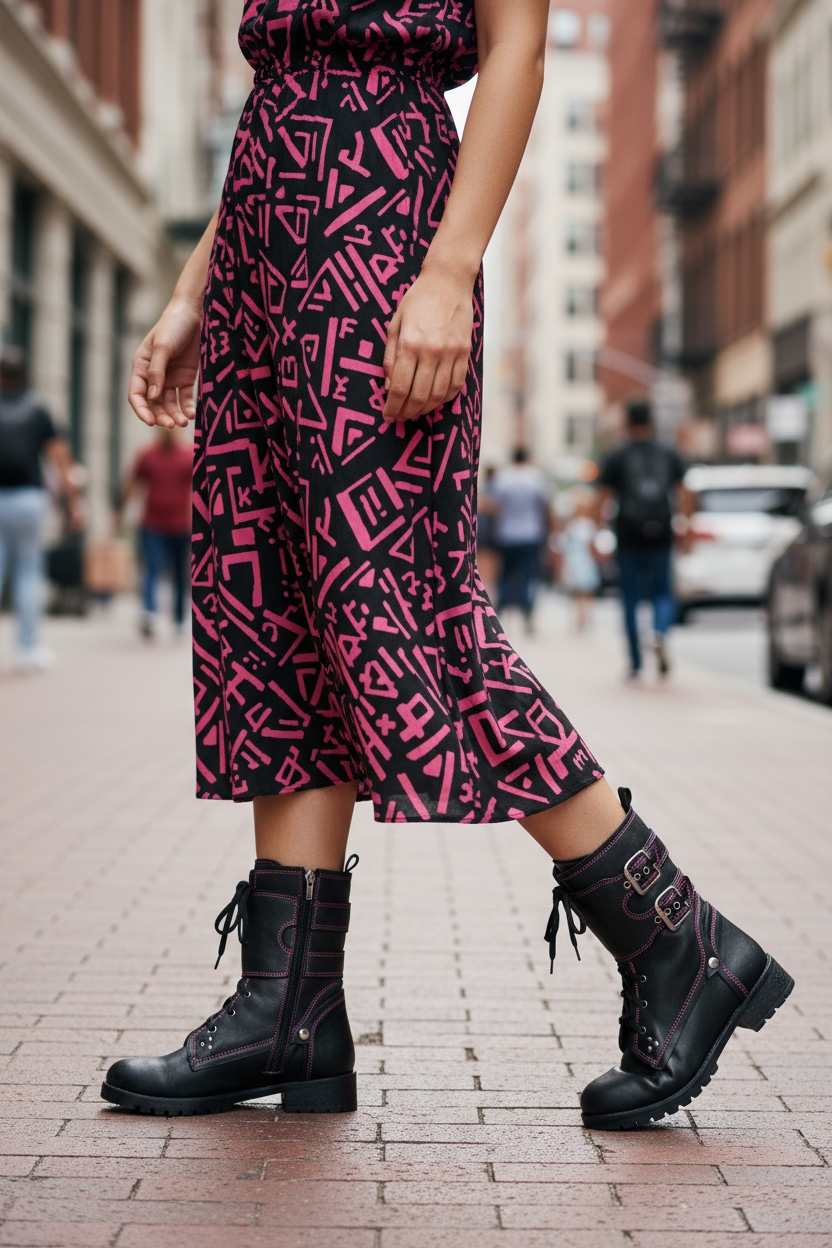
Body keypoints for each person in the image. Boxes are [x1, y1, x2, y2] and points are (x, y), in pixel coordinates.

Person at [102, 1, 792, 1132]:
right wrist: (192, 290)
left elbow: (515, 46)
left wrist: (447, 269)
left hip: (380, 236)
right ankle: (290, 1009)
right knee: (271, 609)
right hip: (264, 249)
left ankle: (678, 940)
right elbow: (281, 98)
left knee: (397, 609)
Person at [0, 345, 82, 671]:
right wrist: (73, 502)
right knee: (29, 572)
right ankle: (27, 650)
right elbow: (60, 460)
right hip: (29, 501)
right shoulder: (38, 409)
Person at [597, 398, 689, 678]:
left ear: (627, 422)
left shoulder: (617, 455)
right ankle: (659, 631)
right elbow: (686, 491)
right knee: (663, 591)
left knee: (629, 597)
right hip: (661, 532)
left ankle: (636, 662)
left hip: (627, 533)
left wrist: (596, 532)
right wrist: (686, 524)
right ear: (652, 421)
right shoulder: (669, 452)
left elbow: (601, 497)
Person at [119, 428, 193, 638]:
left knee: (180, 571)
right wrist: (120, 513)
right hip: (152, 524)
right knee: (152, 567)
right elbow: (132, 483)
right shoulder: (147, 455)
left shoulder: (188, 456)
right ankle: (149, 612)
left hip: (181, 525)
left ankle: (179, 617)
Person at [490, 447, 551, 633]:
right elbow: (545, 506)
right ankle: (527, 614)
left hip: (507, 534)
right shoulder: (536, 478)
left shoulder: (503, 478)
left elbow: (494, 506)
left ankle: (498, 614)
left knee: (505, 574)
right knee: (528, 575)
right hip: (531, 533)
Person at [557, 493, 601, 632]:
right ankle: (580, 617)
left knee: (586, 590)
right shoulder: (577, 526)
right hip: (578, 560)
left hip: (584, 560)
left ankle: (585, 617)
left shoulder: (586, 526)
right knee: (579, 591)